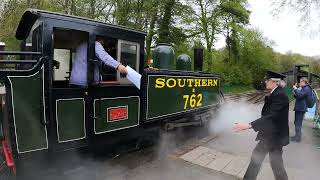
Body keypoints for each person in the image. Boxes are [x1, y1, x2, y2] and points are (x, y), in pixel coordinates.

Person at [233, 71, 289, 180]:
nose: (265, 82)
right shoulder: (276, 92)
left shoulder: (280, 95)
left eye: (267, 80)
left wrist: (249, 125)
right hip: (272, 135)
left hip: (272, 136)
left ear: (274, 82)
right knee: (275, 164)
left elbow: (270, 116)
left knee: (258, 160)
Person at [291, 77, 311, 142]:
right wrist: (294, 92)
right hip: (299, 108)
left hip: (301, 108)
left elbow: (300, 95)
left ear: (304, 82)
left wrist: (296, 89)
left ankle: (298, 138)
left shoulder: (307, 88)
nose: (299, 83)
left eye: (300, 81)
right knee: (296, 122)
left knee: (298, 123)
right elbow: (298, 96)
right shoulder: (303, 88)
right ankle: (297, 136)